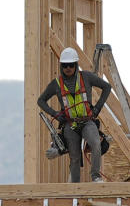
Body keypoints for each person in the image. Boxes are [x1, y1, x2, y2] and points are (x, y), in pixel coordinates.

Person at [37, 47, 112, 183]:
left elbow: (107, 87)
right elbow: (40, 101)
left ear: (76, 65)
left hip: (87, 121)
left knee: (96, 143)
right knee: (75, 157)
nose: (68, 68)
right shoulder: (56, 84)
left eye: (71, 65)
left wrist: (98, 108)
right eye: (65, 65)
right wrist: (55, 113)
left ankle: (95, 176)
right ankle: (75, 188)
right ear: (61, 66)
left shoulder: (86, 77)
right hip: (69, 124)